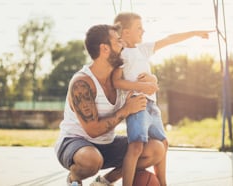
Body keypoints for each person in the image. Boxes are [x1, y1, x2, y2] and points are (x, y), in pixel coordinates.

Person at [54, 24, 166, 186]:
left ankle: (103, 182)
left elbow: (146, 85)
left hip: (107, 144)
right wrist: (126, 110)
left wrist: (152, 80)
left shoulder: (120, 79)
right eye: (119, 41)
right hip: (75, 143)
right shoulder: (82, 83)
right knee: (91, 160)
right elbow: (92, 131)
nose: (124, 45)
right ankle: (74, 179)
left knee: (156, 149)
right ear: (105, 49)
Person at [113, 12, 214, 186]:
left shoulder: (142, 49)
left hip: (152, 106)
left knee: (164, 143)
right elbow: (116, 82)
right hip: (137, 105)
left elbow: (169, 39)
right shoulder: (121, 55)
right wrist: (141, 86)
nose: (143, 30)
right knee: (136, 147)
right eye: (139, 27)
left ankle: (163, 183)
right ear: (126, 32)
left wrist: (195, 32)